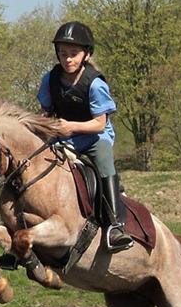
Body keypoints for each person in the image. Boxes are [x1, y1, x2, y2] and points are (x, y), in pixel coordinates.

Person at [38, 21, 133, 253]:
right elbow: (46, 112)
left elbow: (100, 124)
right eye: (63, 54)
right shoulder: (50, 79)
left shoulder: (95, 83)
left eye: (73, 54)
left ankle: (115, 226)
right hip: (63, 136)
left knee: (103, 160)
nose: (67, 59)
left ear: (86, 54)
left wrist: (70, 126)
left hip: (93, 138)